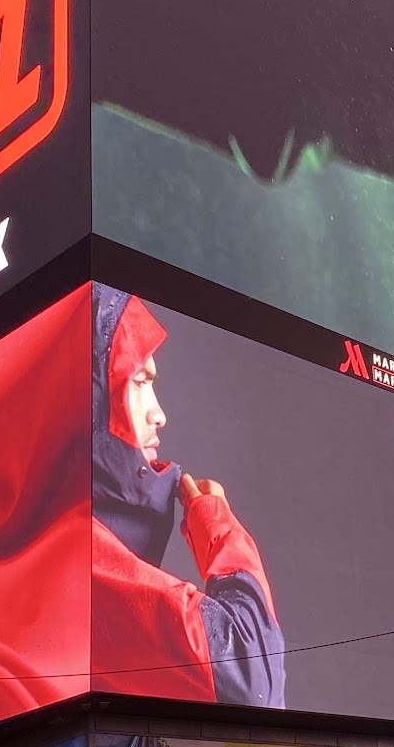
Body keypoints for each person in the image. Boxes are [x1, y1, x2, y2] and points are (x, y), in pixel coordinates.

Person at [91, 289, 287, 707]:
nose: (159, 414)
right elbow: (251, 680)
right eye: (138, 381)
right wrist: (219, 528)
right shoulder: (76, 556)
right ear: (91, 396)